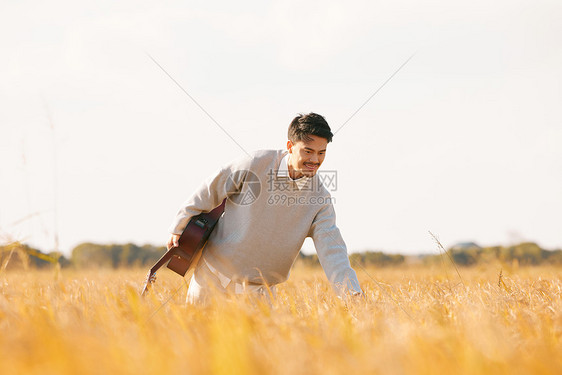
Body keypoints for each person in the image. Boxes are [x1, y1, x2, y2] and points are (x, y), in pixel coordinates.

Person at [167, 113, 362, 303]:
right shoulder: (256, 163)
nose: (315, 160)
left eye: (322, 153)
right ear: (290, 146)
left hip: (259, 295)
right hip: (211, 279)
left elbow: (332, 249)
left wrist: (351, 292)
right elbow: (211, 189)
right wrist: (179, 226)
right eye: (308, 151)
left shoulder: (321, 199)